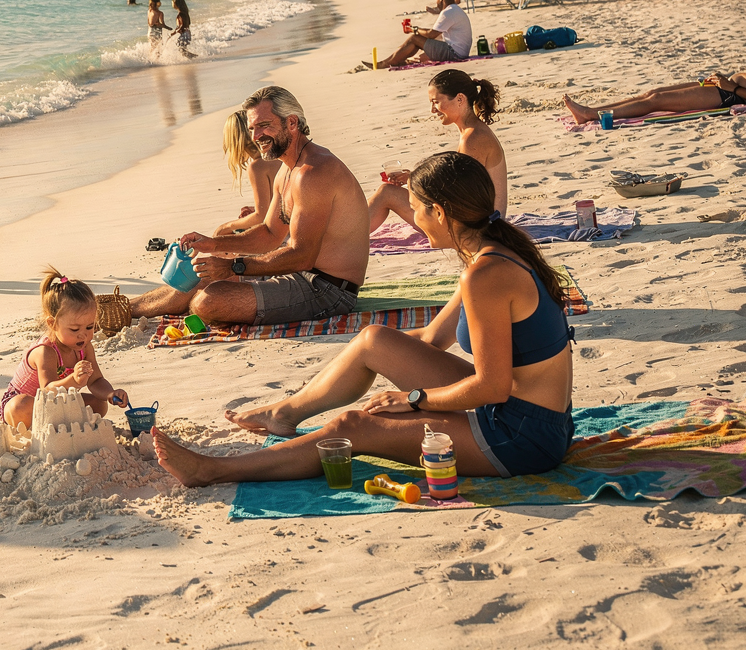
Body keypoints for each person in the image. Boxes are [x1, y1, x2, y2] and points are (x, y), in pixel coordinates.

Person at [155, 151, 576, 485]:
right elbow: (430, 339)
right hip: (528, 415)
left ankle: (212, 471)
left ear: (442, 213)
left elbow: (491, 387)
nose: (413, 221)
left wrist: (413, 400)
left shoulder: (487, 275)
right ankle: (284, 413)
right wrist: (358, 354)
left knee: (353, 425)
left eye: (416, 210)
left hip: (519, 438)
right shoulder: (490, 257)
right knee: (375, 338)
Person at [129, 87, 369, 325]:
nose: (256, 137)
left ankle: (139, 309)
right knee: (201, 277)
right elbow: (270, 233)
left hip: (328, 291)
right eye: (252, 128)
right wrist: (213, 244)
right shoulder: (287, 168)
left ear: (292, 123)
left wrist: (234, 266)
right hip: (301, 274)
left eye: (264, 125)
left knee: (208, 302)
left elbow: (302, 256)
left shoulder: (314, 172)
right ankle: (123, 310)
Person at [563, 10, 746, 124]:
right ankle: (593, 110)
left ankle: (591, 115)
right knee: (652, 93)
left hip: (728, 96)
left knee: (655, 101)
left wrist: (732, 87)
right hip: (724, 88)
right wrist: (726, 81)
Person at [369, 69, 506, 233]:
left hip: (477, 226)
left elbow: (459, 194)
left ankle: (348, 235)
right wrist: (412, 178)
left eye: (435, 102)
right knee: (390, 192)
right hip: (478, 220)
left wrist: (415, 182)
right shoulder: (472, 132)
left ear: (460, 99)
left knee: (387, 193)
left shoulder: (473, 138)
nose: (432, 110)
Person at [0, 269, 131, 429]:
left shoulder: (85, 348)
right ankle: (45, 425)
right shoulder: (45, 352)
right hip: (32, 402)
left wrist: (110, 393)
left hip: (61, 403)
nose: (83, 335)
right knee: (20, 406)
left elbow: (96, 380)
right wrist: (74, 380)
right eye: (75, 330)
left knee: (99, 404)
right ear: (52, 324)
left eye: (89, 327)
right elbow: (47, 390)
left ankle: (59, 424)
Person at [213, 109, 280, 237]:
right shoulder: (276, 156)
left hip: (281, 236)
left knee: (222, 237)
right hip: (295, 226)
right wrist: (255, 210)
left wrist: (225, 226)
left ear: (235, 141)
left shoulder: (257, 167)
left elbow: (262, 216)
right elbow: (276, 206)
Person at [375, 0, 471, 68]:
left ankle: (387, 63)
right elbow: (435, 34)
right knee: (419, 49)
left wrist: (414, 29)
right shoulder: (455, 10)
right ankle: (393, 61)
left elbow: (431, 34)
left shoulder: (447, 12)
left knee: (414, 38)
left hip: (454, 53)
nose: (436, 2)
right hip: (461, 52)